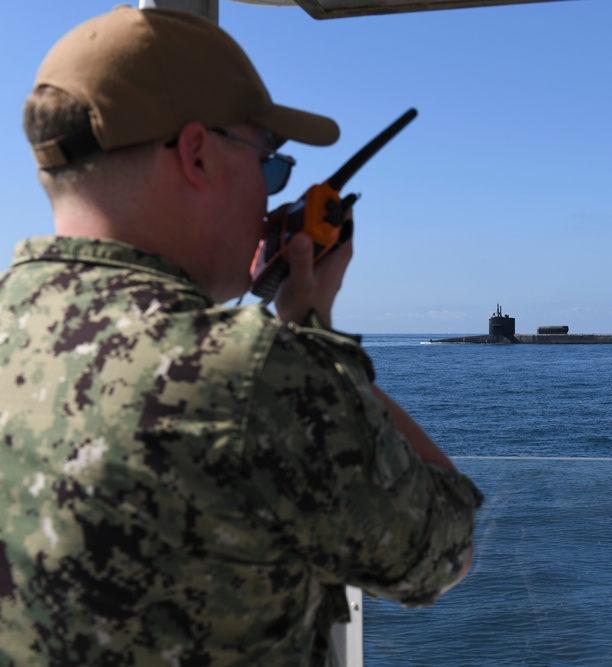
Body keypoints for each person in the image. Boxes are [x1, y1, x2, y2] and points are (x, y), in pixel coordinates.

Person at [0, 7, 482, 665]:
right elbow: (444, 543)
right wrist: (312, 333)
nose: (267, 197)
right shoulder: (250, 374)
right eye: (271, 165)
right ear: (197, 153)